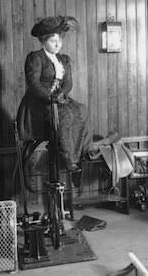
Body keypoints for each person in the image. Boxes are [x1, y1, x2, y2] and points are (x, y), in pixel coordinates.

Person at [16, 15, 98, 174]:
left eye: (59, 40)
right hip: (38, 103)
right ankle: (69, 159)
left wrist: (61, 94)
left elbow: (68, 83)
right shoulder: (36, 58)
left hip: (58, 98)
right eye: (53, 41)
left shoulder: (63, 59)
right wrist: (51, 97)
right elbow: (33, 83)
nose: (57, 44)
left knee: (82, 110)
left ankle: (85, 151)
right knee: (64, 115)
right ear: (43, 40)